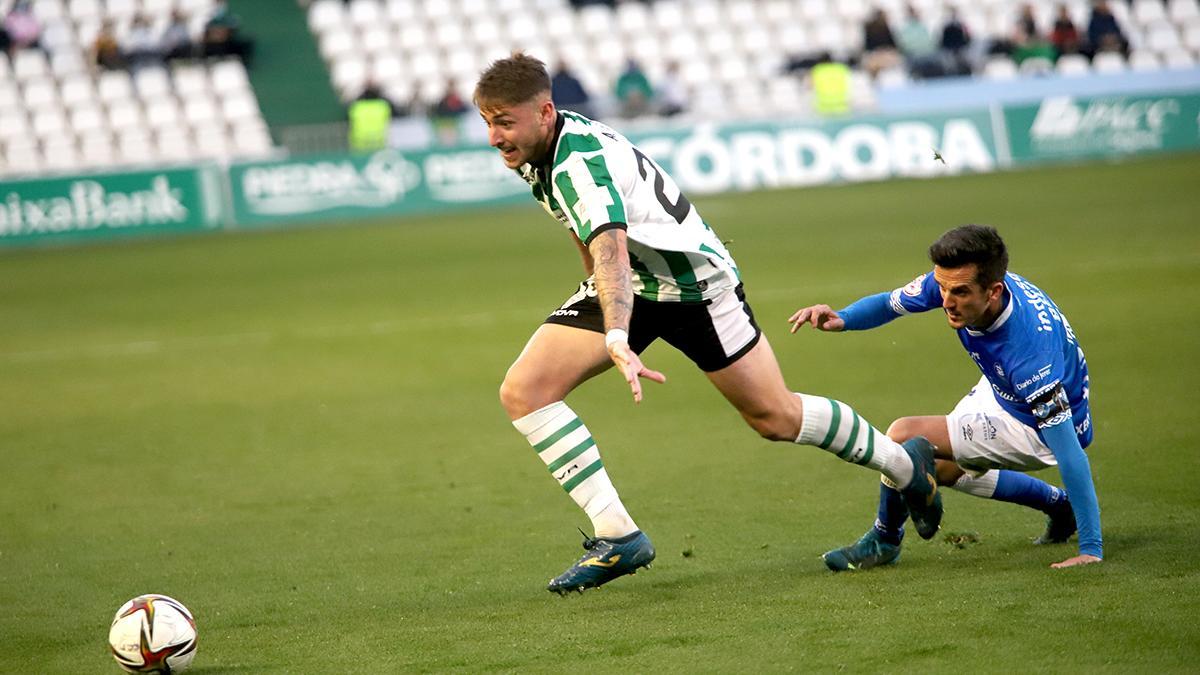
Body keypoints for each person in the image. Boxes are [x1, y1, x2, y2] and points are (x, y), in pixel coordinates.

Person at [475, 52, 944, 595]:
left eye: (504, 122)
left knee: (775, 416)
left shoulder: (576, 161)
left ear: (545, 112)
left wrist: (617, 334)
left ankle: (908, 469)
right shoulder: (541, 148)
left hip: (698, 289)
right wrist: (608, 313)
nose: (494, 137)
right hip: (638, 283)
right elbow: (590, 240)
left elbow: (610, 247)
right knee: (526, 391)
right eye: (488, 122)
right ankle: (617, 535)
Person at [789, 225, 1102, 570]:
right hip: (1005, 389)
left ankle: (885, 539)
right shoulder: (961, 281)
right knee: (932, 468)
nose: (946, 302)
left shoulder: (1030, 357)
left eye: (960, 293)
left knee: (902, 436)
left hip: (1037, 426)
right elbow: (890, 303)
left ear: (994, 291)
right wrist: (843, 318)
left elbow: (1071, 451)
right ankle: (1059, 506)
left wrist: (1091, 549)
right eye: (941, 288)